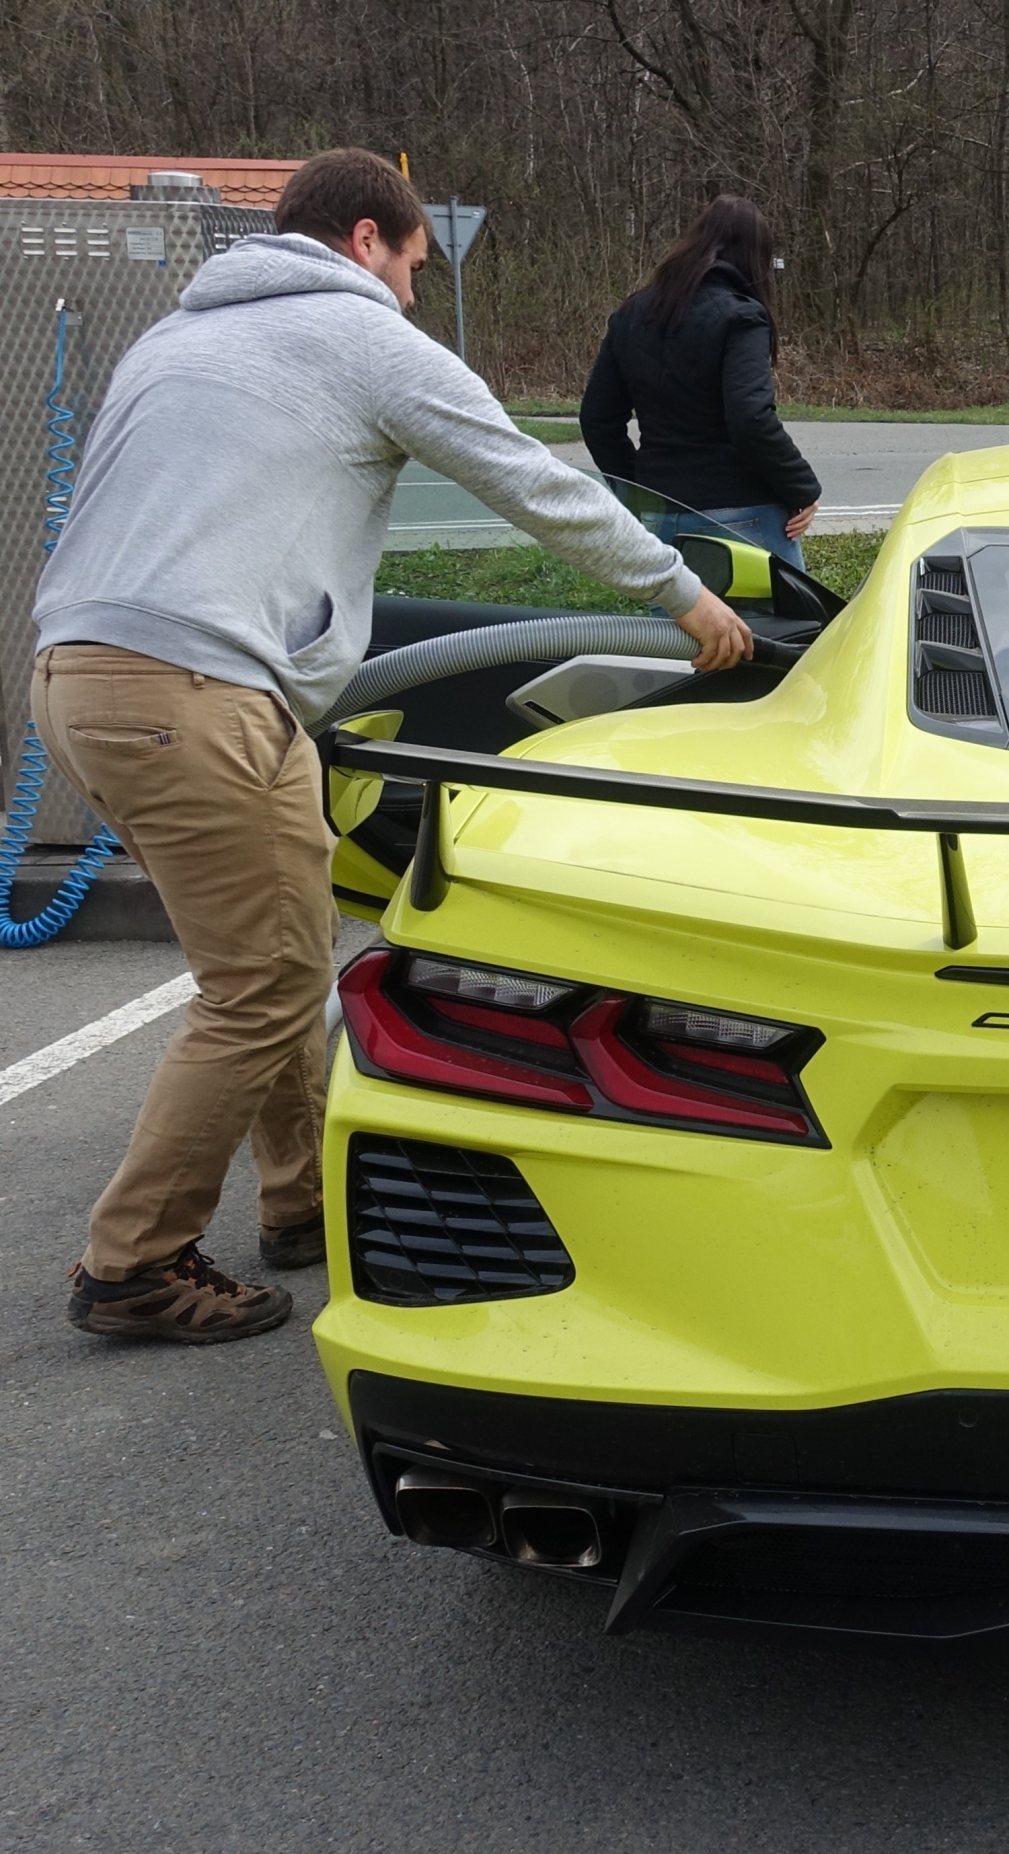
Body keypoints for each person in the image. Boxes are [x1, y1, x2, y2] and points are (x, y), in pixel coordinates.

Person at [31, 147, 751, 1345]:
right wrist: (686, 599)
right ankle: (135, 1262)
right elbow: (527, 475)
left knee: (280, 944)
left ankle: (305, 1202)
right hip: (190, 689)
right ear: (368, 238)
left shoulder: (177, 339)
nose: (416, 292)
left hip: (96, 675)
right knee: (259, 986)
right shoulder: (355, 336)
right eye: (416, 265)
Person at [580, 196, 822, 569]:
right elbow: (750, 417)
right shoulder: (742, 316)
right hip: (742, 513)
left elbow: (598, 420)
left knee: (677, 630)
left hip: (660, 516)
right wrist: (803, 488)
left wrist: (641, 492)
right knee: (775, 628)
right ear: (755, 257)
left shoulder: (632, 314)